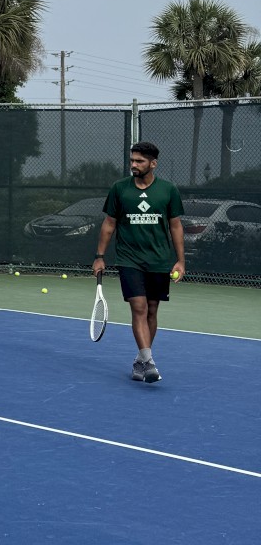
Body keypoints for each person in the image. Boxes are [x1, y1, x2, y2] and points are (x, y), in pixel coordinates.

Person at [93, 141, 185, 384]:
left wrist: (180, 261)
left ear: (153, 163)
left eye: (139, 161)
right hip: (129, 259)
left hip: (159, 260)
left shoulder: (168, 190)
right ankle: (149, 361)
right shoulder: (119, 189)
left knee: (152, 311)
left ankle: (140, 360)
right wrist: (100, 256)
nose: (133, 164)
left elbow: (175, 226)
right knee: (139, 307)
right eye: (132, 160)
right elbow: (109, 224)